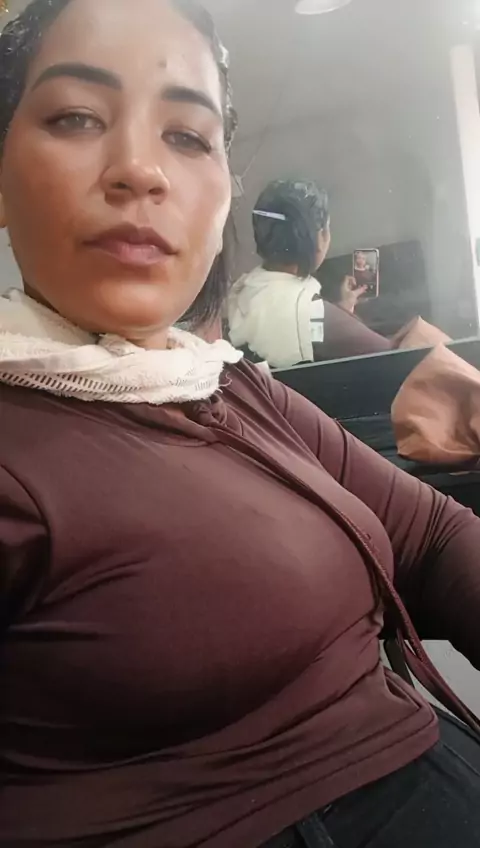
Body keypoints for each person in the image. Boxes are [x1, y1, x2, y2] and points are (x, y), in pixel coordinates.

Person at [0, 2, 479, 848]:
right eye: (75, 117)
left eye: (188, 135)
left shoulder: (231, 388)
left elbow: (435, 535)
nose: (140, 169)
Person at [228, 180, 390, 368]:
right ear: (320, 237)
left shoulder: (244, 289)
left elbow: (297, 326)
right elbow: (393, 357)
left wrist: (343, 309)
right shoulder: (312, 313)